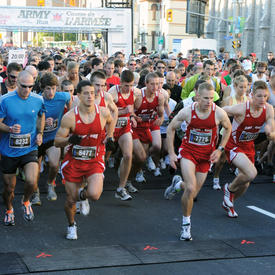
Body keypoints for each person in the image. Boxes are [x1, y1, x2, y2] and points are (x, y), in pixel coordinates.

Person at [164, 82, 231, 240]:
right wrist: (172, 153)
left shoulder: (218, 113)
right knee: (191, 188)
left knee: (192, 191)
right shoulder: (188, 112)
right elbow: (170, 128)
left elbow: (228, 128)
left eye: (211, 98)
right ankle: (186, 226)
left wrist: (220, 149)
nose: (209, 101)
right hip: (189, 152)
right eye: (205, 98)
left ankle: (177, 184)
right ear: (197, 97)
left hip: (206, 156)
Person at [54, 80, 115, 240]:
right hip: (74, 161)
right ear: (78, 96)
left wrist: (110, 137)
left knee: (95, 194)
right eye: (86, 93)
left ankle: (83, 196)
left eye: (92, 93)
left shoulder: (102, 112)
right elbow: (57, 141)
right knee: (70, 200)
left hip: (94, 159)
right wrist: (69, 140)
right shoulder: (70, 117)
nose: (90, 96)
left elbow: (111, 120)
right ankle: (71, 225)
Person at [222, 81, 275, 218]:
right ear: (251, 95)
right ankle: (229, 189)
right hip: (234, 145)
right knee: (251, 173)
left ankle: (229, 203)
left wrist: (270, 132)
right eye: (259, 96)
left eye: (265, 96)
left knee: (245, 185)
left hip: (248, 147)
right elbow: (223, 110)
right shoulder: (241, 109)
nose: (262, 99)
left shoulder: (268, 109)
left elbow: (270, 130)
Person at [0, 70, 45, 226]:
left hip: (29, 147)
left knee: (32, 181)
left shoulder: (38, 99)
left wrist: (40, 133)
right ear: (17, 84)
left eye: (30, 86)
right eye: (24, 86)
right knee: (9, 188)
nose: (27, 90)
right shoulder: (5, 100)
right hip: (9, 150)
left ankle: (26, 202)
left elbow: (41, 115)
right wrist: (10, 129)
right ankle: (9, 209)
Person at [31, 72, 71, 205]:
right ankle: (35, 191)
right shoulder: (36, 99)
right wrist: (40, 120)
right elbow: (28, 117)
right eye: (48, 88)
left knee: (54, 165)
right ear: (42, 88)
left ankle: (50, 184)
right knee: (35, 169)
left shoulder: (62, 97)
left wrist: (67, 119)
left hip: (52, 138)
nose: (51, 92)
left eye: (53, 88)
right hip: (36, 139)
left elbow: (70, 100)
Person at [109, 70, 140, 199]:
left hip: (124, 127)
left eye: (131, 85)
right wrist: (122, 111)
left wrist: (132, 116)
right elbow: (107, 114)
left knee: (128, 155)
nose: (128, 88)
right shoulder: (112, 93)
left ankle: (121, 188)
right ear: (120, 83)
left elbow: (132, 110)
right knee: (103, 159)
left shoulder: (135, 93)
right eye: (126, 85)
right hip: (110, 128)